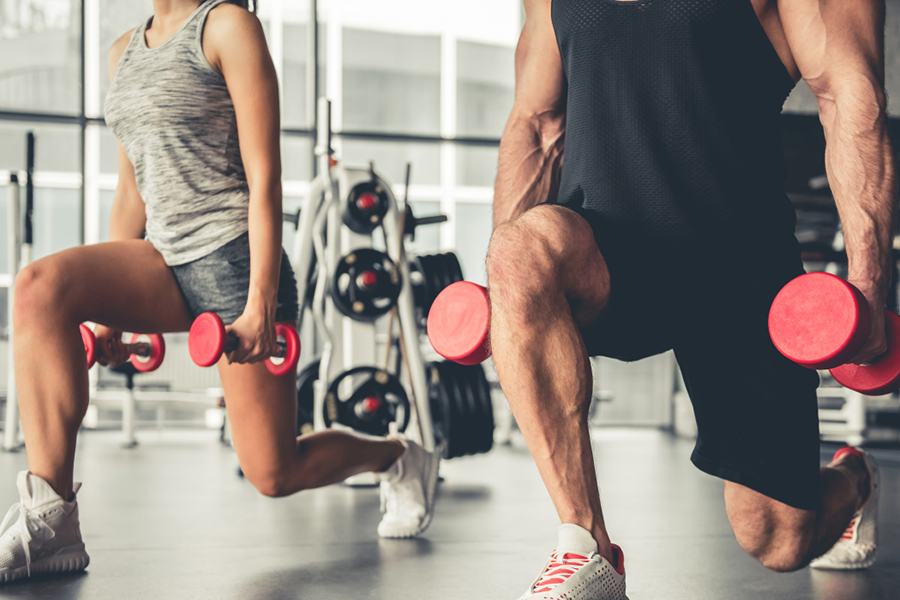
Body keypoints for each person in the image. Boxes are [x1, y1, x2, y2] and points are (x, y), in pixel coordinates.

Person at [0, 0, 440, 584]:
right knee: (39, 287)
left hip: (233, 258)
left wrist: (261, 299)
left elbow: (266, 178)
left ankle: (398, 456)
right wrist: (106, 318)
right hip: (161, 256)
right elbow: (132, 190)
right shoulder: (123, 51)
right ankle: (52, 518)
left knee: (273, 472)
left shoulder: (227, 26)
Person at [490, 0, 895, 598]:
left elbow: (846, 91)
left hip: (740, 270)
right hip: (606, 253)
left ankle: (852, 482)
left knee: (776, 538)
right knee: (517, 252)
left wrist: (867, 288)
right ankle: (587, 548)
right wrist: (502, 294)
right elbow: (538, 120)